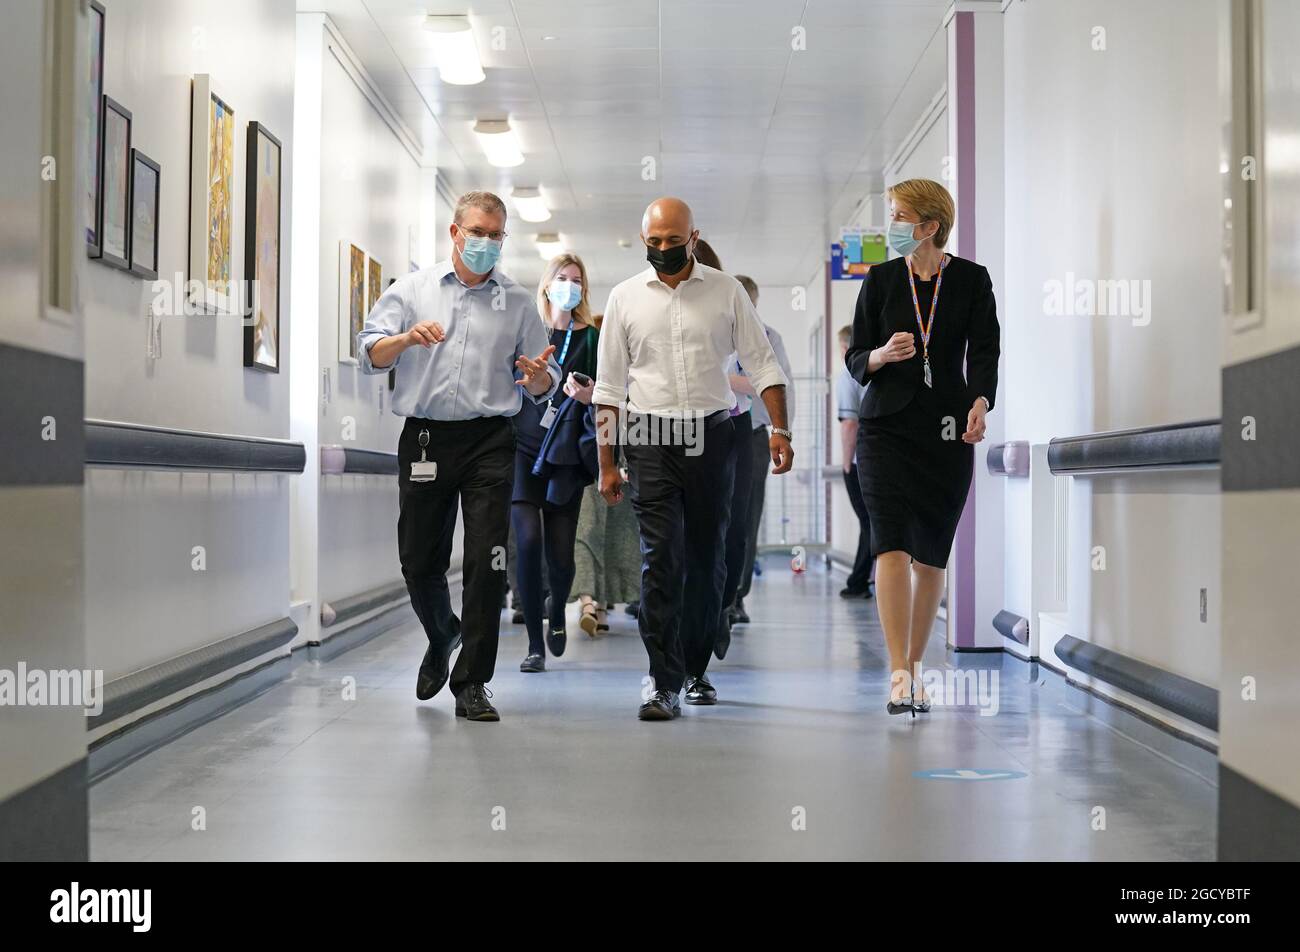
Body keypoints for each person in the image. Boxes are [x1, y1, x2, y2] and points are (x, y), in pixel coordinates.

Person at [358, 190, 560, 722]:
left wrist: (540, 380)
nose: (487, 243)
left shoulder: (517, 302)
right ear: (455, 232)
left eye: (496, 235)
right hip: (425, 438)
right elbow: (368, 353)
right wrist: (404, 339)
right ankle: (442, 632)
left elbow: (544, 379)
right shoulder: (413, 289)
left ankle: (472, 681)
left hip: (491, 440)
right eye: (478, 232)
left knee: (487, 560)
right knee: (418, 558)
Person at [593, 197, 792, 720]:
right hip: (649, 435)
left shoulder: (725, 293)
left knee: (709, 558)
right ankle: (662, 680)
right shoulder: (625, 298)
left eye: (672, 241)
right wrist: (607, 462)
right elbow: (610, 388)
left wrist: (780, 429)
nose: (662, 249)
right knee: (661, 557)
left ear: (693, 236)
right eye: (653, 242)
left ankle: (697, 668)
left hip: (712, 435)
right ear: (644, 241)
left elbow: (764, 364)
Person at [845, 178, 999, 715]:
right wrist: (882, 356)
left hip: (946, 432)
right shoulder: (882, 280)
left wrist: (981, 402)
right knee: (890, 542)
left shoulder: (971, 281)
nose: (892, 227)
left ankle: (914, 664)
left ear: (930, 226)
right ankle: (896, 674)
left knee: (931, 552)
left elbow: (984, 351)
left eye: (900, 216)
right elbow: (855, 356)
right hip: (886, 428)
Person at [512, 253, 599, 673]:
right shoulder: (527, 330)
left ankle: (558, 611)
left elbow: (608, 392)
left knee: (561, 558)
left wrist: (590, 392)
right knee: (527, 543)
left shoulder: (592, 337)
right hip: (522, 446)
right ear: (546, 284)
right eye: (562, 278)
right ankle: (534, 643)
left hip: (564, 453)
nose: (569, 285)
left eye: (576, 279)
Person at [570, 315, 644, 636]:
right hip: (592, 463)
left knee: (603, 535)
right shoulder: (594, 375)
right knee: (588, 531)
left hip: (620, 464)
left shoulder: (639, 376)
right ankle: (590, 602)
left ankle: (596, 604)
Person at [729, 276, 794, 625]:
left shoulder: (769, 338)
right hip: (712, 433)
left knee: (746, 518)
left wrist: (783, 431)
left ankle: (736, 596)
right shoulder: (716, 333)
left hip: (753, 434)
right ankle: (712, 591)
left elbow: (775, 382)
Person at [835, 324, 874, 599]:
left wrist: (847, 463)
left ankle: (859, 581)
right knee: (872, 521)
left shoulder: (849, 374)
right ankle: (861, 579)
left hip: (862, 461)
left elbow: (849, 424)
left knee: (868, 521)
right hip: (885, 459)